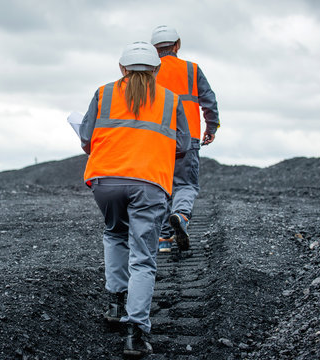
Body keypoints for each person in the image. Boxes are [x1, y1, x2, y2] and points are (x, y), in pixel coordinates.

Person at [79, 41, 191, 357]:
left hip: (106, 180)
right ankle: (136, 332)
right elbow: (182, 145)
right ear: (156, 69)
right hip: (150, 183)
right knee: (143, 256)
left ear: (121, 68)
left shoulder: (102, 94)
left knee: (115, 235)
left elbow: (87, 139)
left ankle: (115, 304)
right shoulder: (171, 100)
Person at [150, 25, 220, 253]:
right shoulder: (192, 69)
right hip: (187, 138)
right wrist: (211, 127)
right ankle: (180, 215)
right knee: (186, 184)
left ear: (154, 48)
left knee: (160, 187)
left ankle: (163, 238)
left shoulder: (148, 72)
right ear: (177, 44)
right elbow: (209, 100)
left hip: (156, 140)